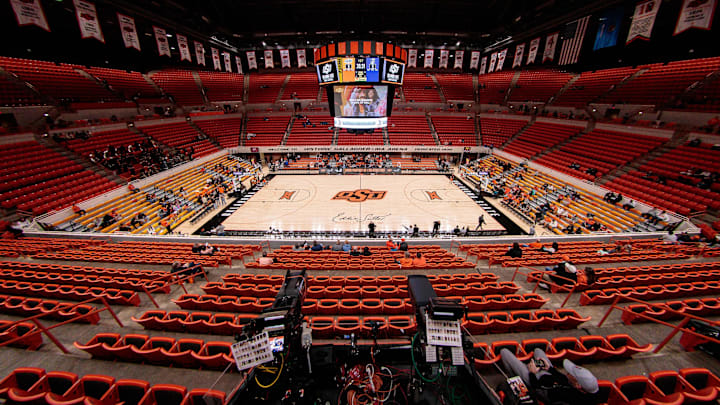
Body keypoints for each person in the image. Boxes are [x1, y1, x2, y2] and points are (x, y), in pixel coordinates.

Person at [500, 348, 599, 404]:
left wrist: (532, 373)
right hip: (549, 377)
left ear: (578, 385)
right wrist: (550, 369)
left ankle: (517, 377)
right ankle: (528, 369)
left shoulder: (564, 396)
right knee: (538, 351)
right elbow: (564, 379)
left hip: (536, 383)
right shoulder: (587, 391)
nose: (568, 373)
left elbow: (537, 390)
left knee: (504, 352)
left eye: (571, 374)